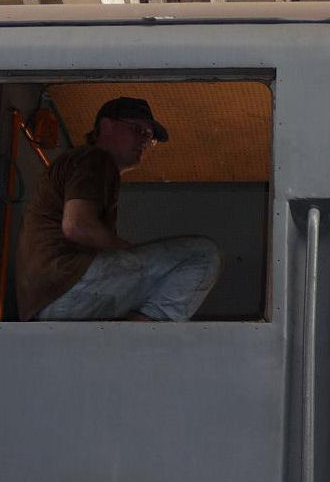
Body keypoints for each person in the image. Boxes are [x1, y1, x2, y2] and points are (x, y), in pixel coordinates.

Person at [15, 97, 222, 322]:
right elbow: (77, 227)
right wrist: (132, 253)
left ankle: (134, 329)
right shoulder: (95, 158)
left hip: (44, 301)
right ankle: (142, 331)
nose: (144, 140)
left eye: (149, 136)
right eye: (137, 130)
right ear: (106, 126)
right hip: (67, 284)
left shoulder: (85, 165)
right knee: (202, 254)